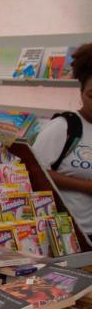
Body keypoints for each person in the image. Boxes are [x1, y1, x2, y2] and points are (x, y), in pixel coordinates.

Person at [32, 43, 92, 240]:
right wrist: (85, 186)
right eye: (91, 95)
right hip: (67, 235)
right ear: (81, 92)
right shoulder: (64, 127)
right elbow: (35, 171)